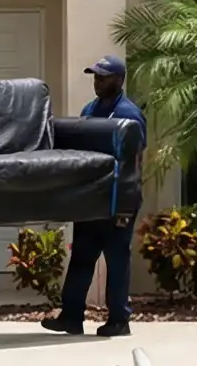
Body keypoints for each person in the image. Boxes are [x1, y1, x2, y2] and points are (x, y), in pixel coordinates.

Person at [44, 54, 146, 338]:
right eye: (95, 76)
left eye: (103, 77)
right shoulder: (90, 109)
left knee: (116, 261)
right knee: (82, 256)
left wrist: (125, 208)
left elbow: (135, 163)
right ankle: (71, 317)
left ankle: (118, 321)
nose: (97, 81)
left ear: (119, 80)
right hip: (91, 197)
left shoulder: (129, 114)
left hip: (118, 199)